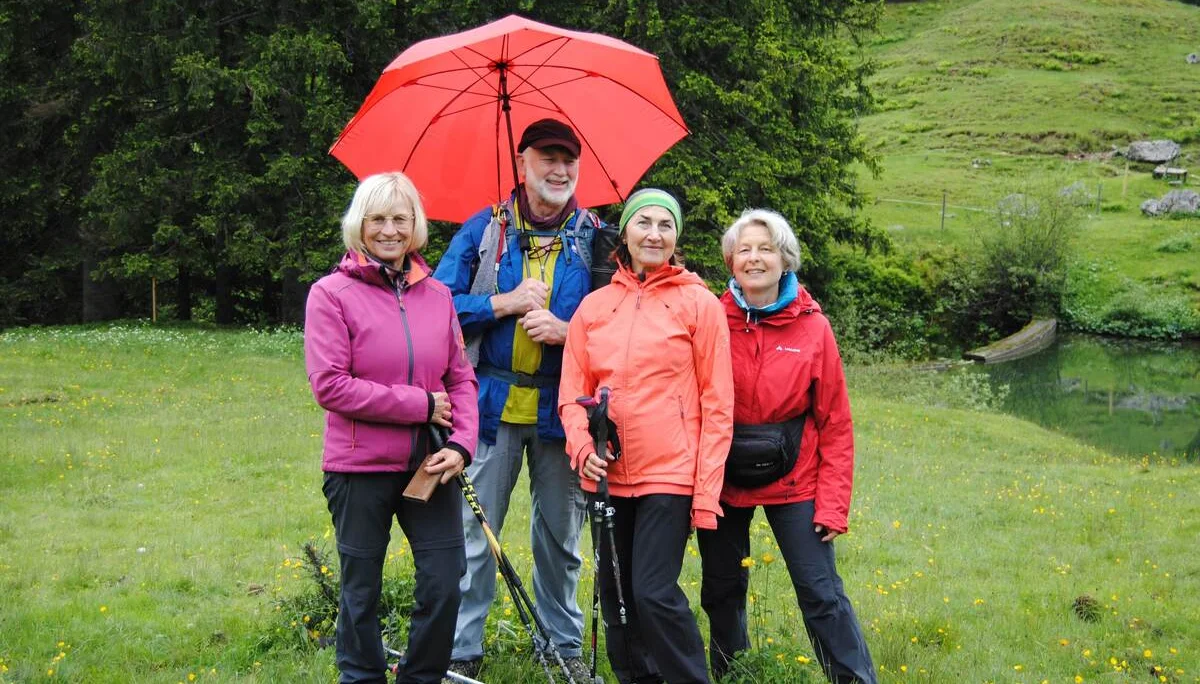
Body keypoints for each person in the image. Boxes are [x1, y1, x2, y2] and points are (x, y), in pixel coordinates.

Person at [433, 118, 608, 679]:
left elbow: (621, 323)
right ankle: (462, 647)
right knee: (474, 531)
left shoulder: (596, 237)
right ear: (522, 163)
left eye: (568, 160)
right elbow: (436, 306)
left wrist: (568, 331)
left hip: (564, 410)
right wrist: (501, 303)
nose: (559, 170)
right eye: (547, 158)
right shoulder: (485, 229)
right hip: (490, 406)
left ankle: (563, 644)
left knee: (560, 536)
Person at [304, 172, 479, 684]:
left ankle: (420, 676)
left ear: (415, 225)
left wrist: (462, 445)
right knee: (361, 588)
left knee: (445, 581)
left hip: (430, 464)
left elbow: (461, 379)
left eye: (400, 219)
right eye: (377, 219)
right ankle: (361, 676)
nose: (389, 230)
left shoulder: (439, 296)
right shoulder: (330, 294)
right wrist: (419, 405)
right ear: (359, 225)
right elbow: (331, 386)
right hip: (358, 467)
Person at [559, 188, 734, 684]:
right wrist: (581, 449)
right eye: (644, 223)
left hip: (670, 474)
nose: (654, 234)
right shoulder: (594, 307)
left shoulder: (699, 304)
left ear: (676, 237)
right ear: (626, 233)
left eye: (665, 225)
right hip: (607, 476)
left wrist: (705, 495)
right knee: (616, 593)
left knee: (654, 593)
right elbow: (572, 394)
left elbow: (718, 405)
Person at [697, 209, 876, 683]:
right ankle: (733, 674)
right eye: (745, 250)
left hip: (796, 479)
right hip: (723, 478)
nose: (754, 258)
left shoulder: (814, 328)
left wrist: (833, 506)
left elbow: (835, 422)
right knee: (720, 590)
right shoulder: (710, 318)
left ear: (785, 259)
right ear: (731, 260)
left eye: (766, 249)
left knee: (821, 593)